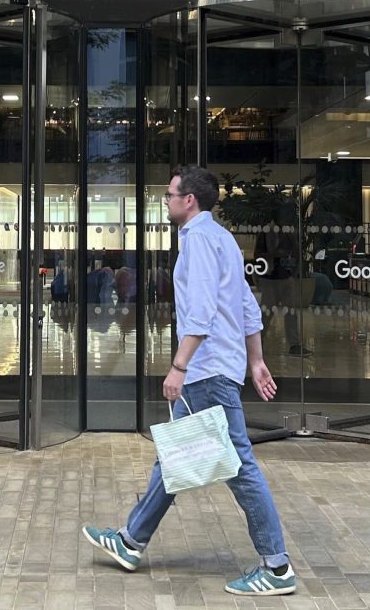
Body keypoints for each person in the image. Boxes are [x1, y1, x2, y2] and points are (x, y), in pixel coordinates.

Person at [82, 166, 296, 596]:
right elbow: (246, 305)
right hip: (223, 365)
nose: (166, 201)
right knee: (175, 458)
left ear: (189, 201)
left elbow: (199, 313)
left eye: (169, 195)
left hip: (207, 369)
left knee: (238, 464)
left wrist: (179, 366)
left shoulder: (197, 241)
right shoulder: (223, 239)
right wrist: (255, 360)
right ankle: (130, 540)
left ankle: (276, 567)